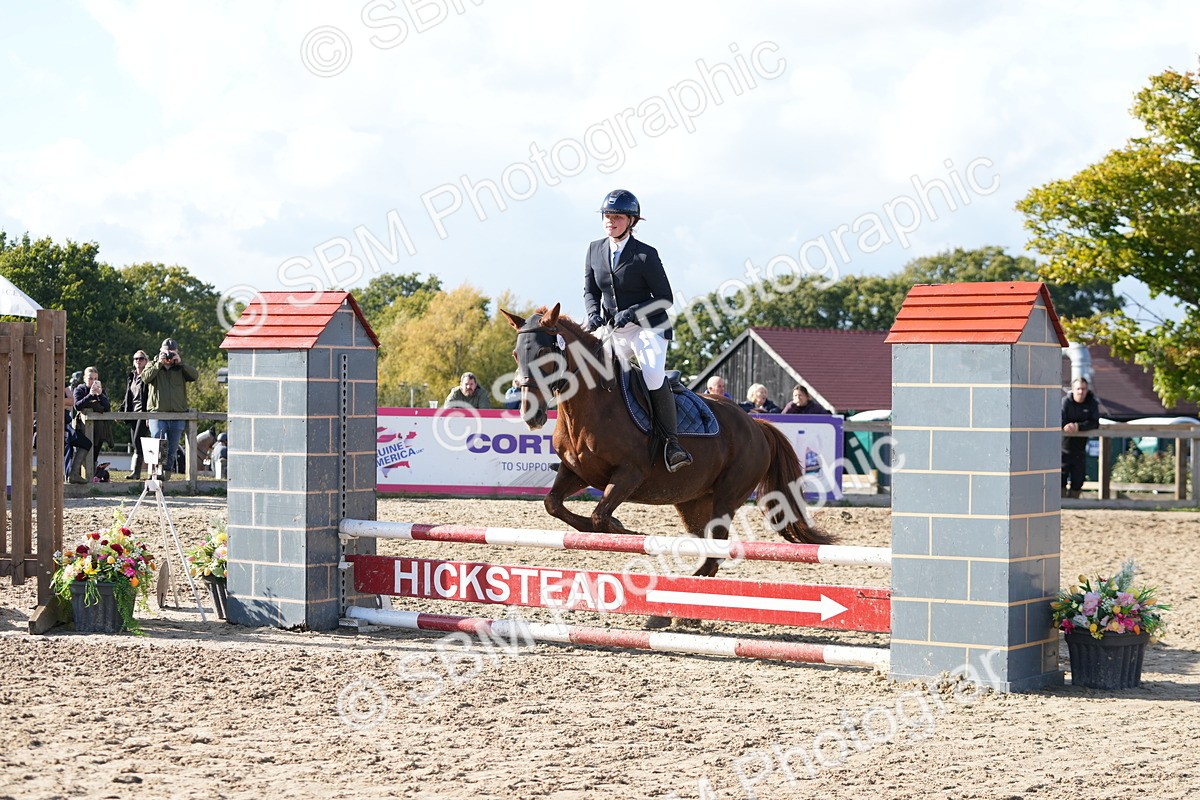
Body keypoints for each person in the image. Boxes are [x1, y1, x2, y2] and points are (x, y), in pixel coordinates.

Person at [583, 189, 692, 472]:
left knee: (653, 376)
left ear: (631, 221)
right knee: (584, 369)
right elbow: (590, 290)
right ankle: (581, 444)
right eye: (607, 216)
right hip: (613, 329)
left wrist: (632, 312)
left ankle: (671, 443)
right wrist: (593, 314)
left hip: (648, 329)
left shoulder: (645, 254)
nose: (610, 221)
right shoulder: (595, 249)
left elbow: (665, 298)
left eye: (617, 217)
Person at [141, 337, 199, 480]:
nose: (169, 356)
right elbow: (145, 378)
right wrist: (159, 364)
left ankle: (166, 475)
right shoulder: (152, 364)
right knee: (157, 442)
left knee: (172, 448)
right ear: (161, 351)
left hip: (178, 414)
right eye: (167, 352)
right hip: (157, 413)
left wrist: (181, 363)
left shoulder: (180, 368)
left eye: (172, 353)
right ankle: (155, 473)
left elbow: (195, 375)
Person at [1061, 377, 1100, 498]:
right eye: (1078, 389)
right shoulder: (1065, 402)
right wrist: (1066, 426)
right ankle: (1061, 504)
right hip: (1063, 448)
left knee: (1078, 479)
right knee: (1060, 479)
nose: (1081, 392)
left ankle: (1074, 503)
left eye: (1083, 389)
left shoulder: (1092, 402)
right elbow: (1059, 419)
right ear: (1073, 389)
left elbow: (1094, 422)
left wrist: (1078, 426)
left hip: (1080, 449)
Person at [72, 366, 111, 480]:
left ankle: (93, 476)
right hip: (83, 427)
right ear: (84, 378)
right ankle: (79, 474)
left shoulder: (101, 391)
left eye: (95, 379)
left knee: (95, 452)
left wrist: (100, 395)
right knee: (84, 450)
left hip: (99, 429)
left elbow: (107, 407)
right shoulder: (79, 389)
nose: (93, 381)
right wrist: (90, 395)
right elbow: (77, 406)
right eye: (90, 378)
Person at [121, 350, 151, 480]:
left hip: (143, 413)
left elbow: (151, 396)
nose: (138, 361)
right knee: (135, 442)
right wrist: (121, 410)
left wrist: (150, 414)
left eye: (141, 358)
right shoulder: (131, 377)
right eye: (136, 359)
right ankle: (137, 471)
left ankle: (137, 472)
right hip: (132, 413)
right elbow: (128, 396)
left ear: (146, 361)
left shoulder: (148, 376)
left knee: (138, 441)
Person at [63, 385, 91, 484]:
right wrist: (64, 403)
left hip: (65, 424)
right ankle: (70, 474)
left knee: (86, 443)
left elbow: (71, 402)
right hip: (52, 424)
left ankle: (73, 474)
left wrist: (57, 403)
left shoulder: (62, 381)